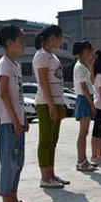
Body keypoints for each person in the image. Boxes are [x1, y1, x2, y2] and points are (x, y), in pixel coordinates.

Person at [0, 25, 35, 202]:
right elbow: (3, 94)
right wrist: (14, 120)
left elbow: (17, 96)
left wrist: (23, 117)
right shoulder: (4, 64)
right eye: (21, 40)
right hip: (7, 122)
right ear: (9, 43)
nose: (23, 44)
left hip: (17, 120)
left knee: (19, 161)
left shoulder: (16, 65)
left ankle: (14, 199)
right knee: (9, 162)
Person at [33, 25, 70, 189]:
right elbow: (43, 81)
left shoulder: (52, 56)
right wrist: (51, 105)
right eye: (60, 37)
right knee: (45, 139)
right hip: (45, 103)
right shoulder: (41, 55)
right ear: (52, 38)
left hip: (57, 101)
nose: (61, 41)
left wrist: (59, 104)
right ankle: (45, 178)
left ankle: (51, 174)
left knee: (53, 140)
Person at [72, 40, 97, 172]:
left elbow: (91, 82)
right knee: (83, 132)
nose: (90, 53)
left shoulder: (84, 66)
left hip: (86, 98)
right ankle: (81, 161)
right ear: (82, 52)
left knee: (85, 132)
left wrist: (91, 65)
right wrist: (92, 105)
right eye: (88, 51)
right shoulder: (80, 67)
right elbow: (84, 88)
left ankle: (83, 160)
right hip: (84, 99)